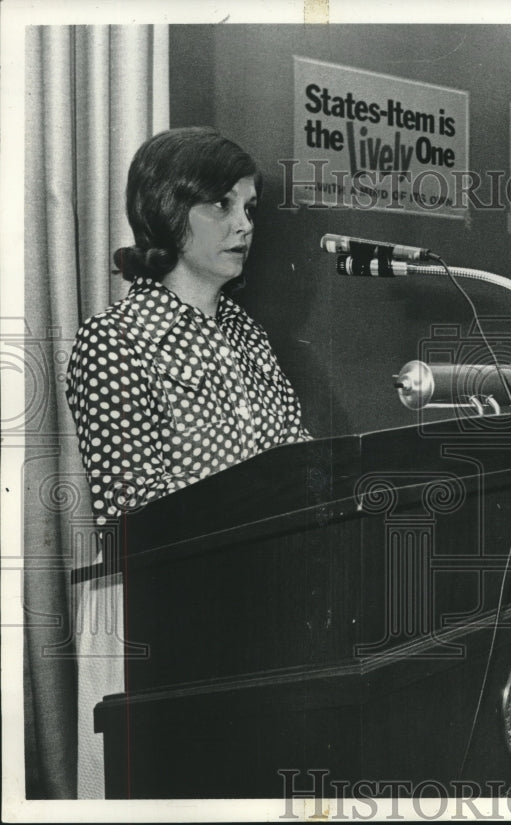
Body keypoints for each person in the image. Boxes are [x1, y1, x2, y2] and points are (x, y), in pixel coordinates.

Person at [65, 127, 310, 796]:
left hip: (252, 596)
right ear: (170, 211)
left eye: (250, 208)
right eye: (222, 206)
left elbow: (296, 452)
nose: (243, 225)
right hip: (153, 611)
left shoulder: (244, 331)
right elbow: (133, 503)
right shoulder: (114, 338)